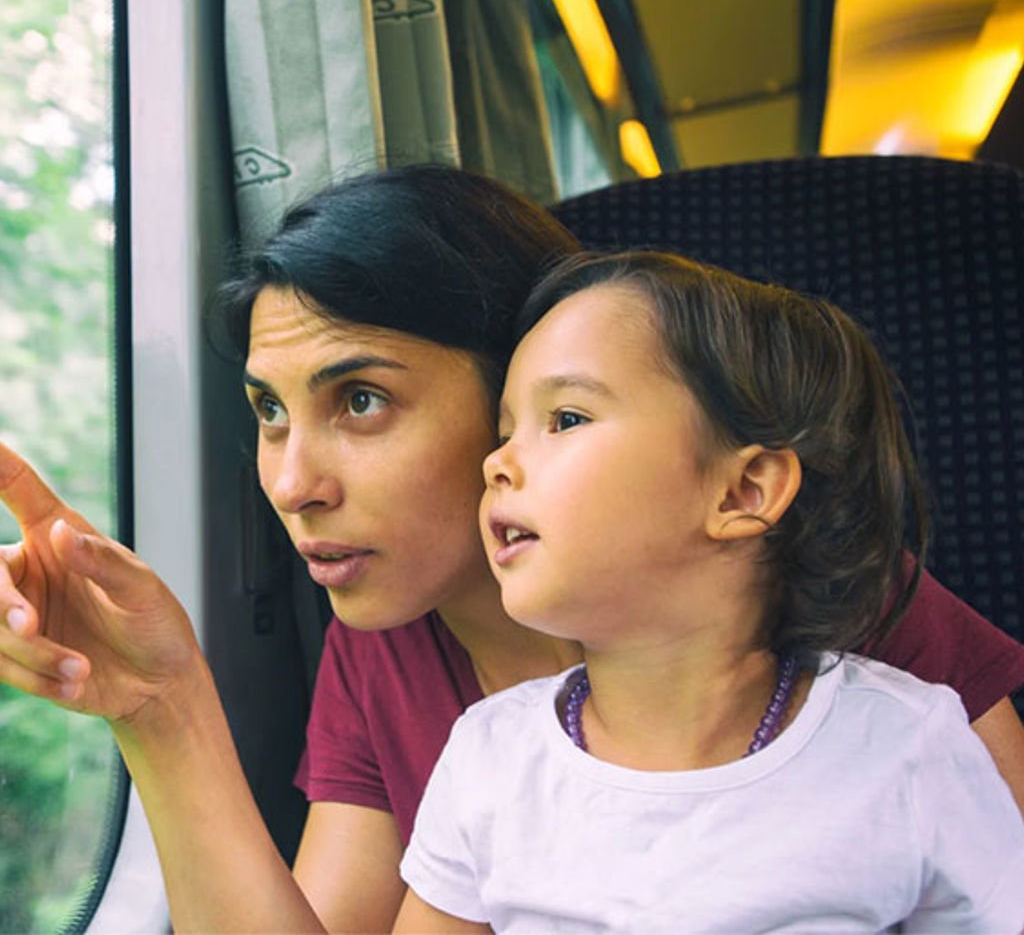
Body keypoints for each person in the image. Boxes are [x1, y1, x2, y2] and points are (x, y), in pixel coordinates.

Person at [0, 165, 1021, 933]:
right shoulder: (396, 647)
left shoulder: (823, 600)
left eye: (360, 401)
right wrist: (160, 705)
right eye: (269, 412)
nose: (289, 483)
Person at [397, 250, 1024, 931]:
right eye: (505, 433)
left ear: (742, 491)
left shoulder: (906, 747)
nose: (497, 463)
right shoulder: (489, 760)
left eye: (567, 419)